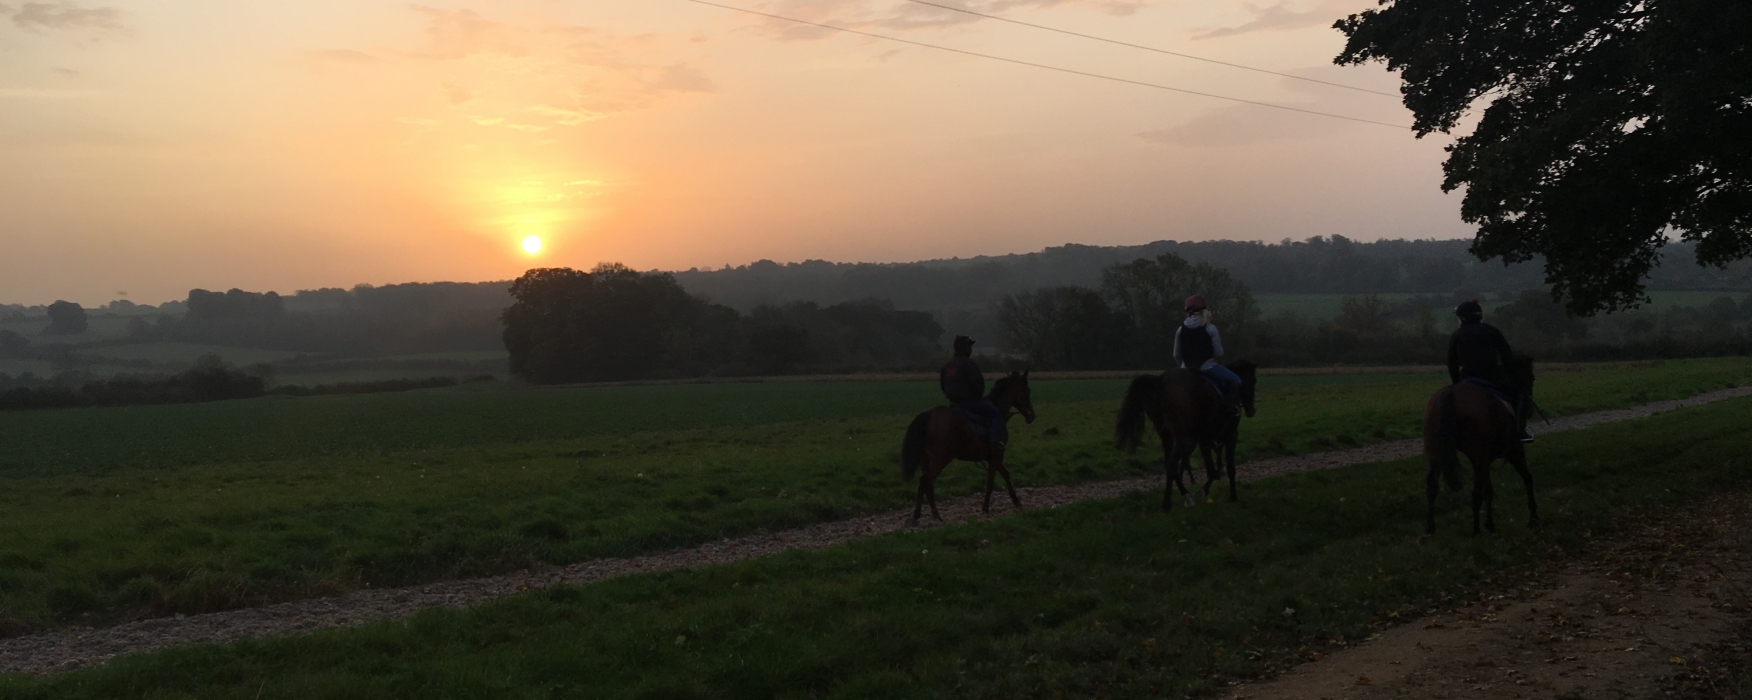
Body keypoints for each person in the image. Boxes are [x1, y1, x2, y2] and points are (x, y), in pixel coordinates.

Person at [1447, 299, 1534, 442]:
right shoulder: (1492, 331)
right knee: (1520, 393)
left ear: (1462, 318)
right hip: (1492, 378)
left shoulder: (1457, 335)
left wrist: (1456, 384)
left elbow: (1452, 363)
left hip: (1467, 378)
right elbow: (1507, 358)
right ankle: (1520, 430)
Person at [1173, 295, 1241, 415]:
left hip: (1185, 369)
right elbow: (1219, 353)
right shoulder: (1211, 328)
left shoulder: (1180, 330)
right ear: (1204, 310)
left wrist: (1183, 367)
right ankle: (1231, 407)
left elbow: (1176, 355)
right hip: (1207, 367)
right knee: (1236, 380)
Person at [940, 335, 1003, 450]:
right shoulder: (969, 364)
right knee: (996, 413)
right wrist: (977, 397)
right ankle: (994, 443)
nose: (971, 350)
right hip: (969, 404)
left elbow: (943, 387)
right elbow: (978, 386)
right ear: (965, 348)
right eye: (969, 347)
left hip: (953, 404)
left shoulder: (946, 366)